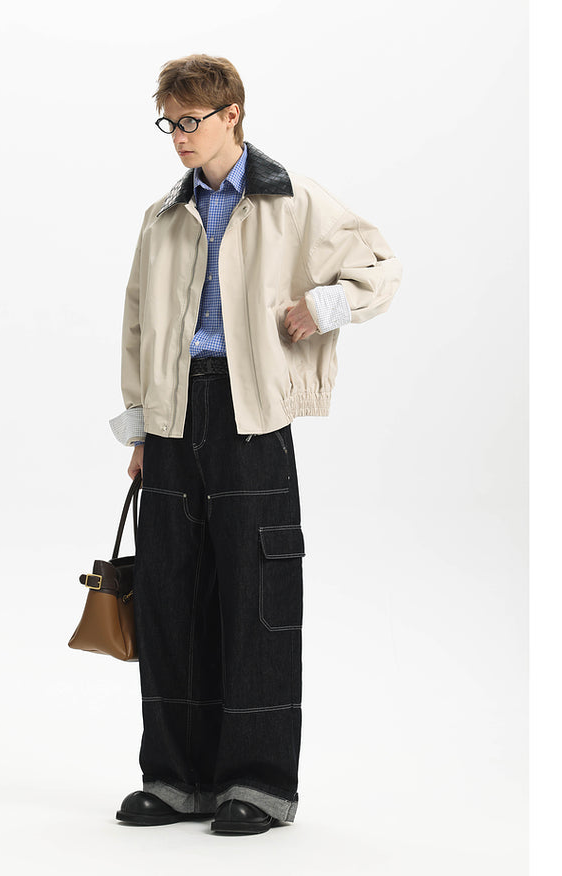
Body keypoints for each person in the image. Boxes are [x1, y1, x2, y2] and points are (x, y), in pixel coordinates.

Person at [108, 54, 402, 835]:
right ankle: (177, 781)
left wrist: (323, 307)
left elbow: (381, 267)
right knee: (171, 596)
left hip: (253, 416)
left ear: (231, 114)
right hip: (174, 418)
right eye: (169, 123)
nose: (178, 136)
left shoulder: (290, 197)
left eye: (190, 121)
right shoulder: (163, 215)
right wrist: (140, 426)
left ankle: (259, 785)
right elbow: (137, 323)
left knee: (256, 599)